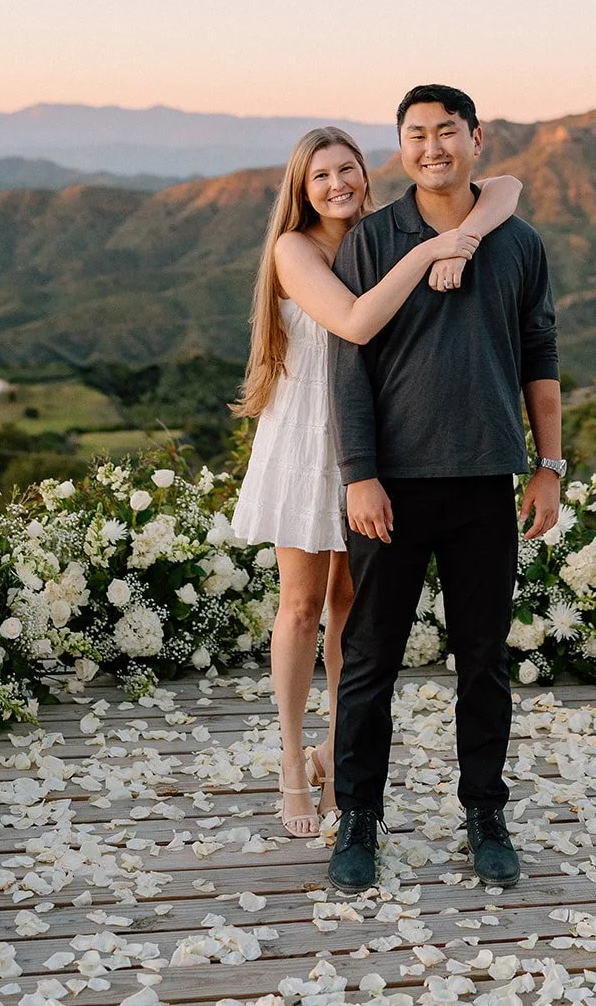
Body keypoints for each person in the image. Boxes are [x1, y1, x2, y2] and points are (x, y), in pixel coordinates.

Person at [231, 125, 522, 837]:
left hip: (373, 434)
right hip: (309, 435)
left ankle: (337, 750)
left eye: (348, 169)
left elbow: (507, 189)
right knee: (301, 606)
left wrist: (468, 234)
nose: (338, 184)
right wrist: (433, 249)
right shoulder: (293, 250)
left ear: (367, 172)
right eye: (321, 176)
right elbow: (357, 323)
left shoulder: (377, 235)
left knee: (352, 611)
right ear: (301, 190)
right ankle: (291, 763)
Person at [326, 85, 564, 893]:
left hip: (483, 482)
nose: (432, 146)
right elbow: (346, 365)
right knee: (369, 662)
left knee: (483, 661)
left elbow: (541, 357)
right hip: (389, 488)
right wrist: (358, 475)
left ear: (476, 138)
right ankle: (357, 819)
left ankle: (484, 813)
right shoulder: (372, 238)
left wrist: (548, 465)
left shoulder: (519, 243)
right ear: (401, 147)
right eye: (416, 134)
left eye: (446, 132)